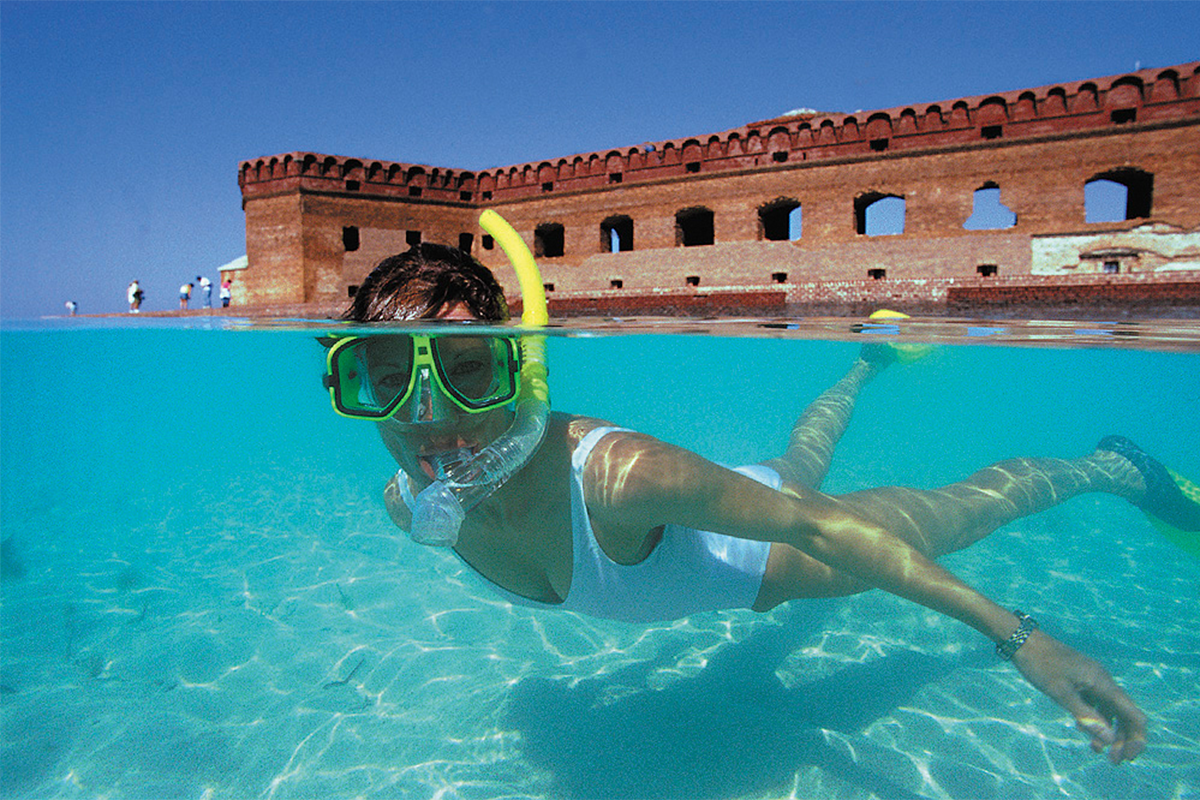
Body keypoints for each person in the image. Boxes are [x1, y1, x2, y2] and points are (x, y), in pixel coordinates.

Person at [327, 236, 1200, 766]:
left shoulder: (616, 476)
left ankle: (1111, 467)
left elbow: (818, 526)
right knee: (797, 459)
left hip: (787, 560)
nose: (427, 420)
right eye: (386, 379)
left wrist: (1023, 640)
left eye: (466, 369)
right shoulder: (405, 502)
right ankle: (865, 364)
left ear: (516, 370)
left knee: (969, 508)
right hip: (740, 494)